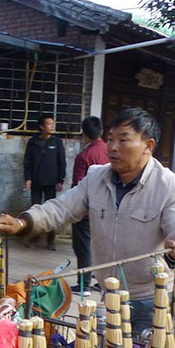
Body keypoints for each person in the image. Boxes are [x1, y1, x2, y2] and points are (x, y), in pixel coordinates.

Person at [0, 107, 175, 334]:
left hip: (151, 300)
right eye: (110, 139)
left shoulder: (171, 187)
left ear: (148, 146)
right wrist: (24, 222)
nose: (112, 147)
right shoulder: (96, 178)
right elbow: (62, 207)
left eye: (123, 140)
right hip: (108, 295)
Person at [70, 116, 109, 293]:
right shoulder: (110, 150)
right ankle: (104, 282)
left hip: (87, 210)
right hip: (108, 207)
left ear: (84, 134)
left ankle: (84, 283)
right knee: (103, 244)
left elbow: (78, 186)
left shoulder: (84, 156)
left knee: (83, 246)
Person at [23, 114, 65, 250]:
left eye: (53, 124)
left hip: (51, 182)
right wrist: (28, 178)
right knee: (35, 209)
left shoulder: (57, 142)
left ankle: (51, 240)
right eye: (49, 124)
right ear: (41, 126)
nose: (52, 126)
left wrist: (60, 180)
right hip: (36, 181)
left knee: (51, 211)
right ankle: (34, 237)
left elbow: (61, 162)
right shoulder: (33, 142)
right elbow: (27, 162)